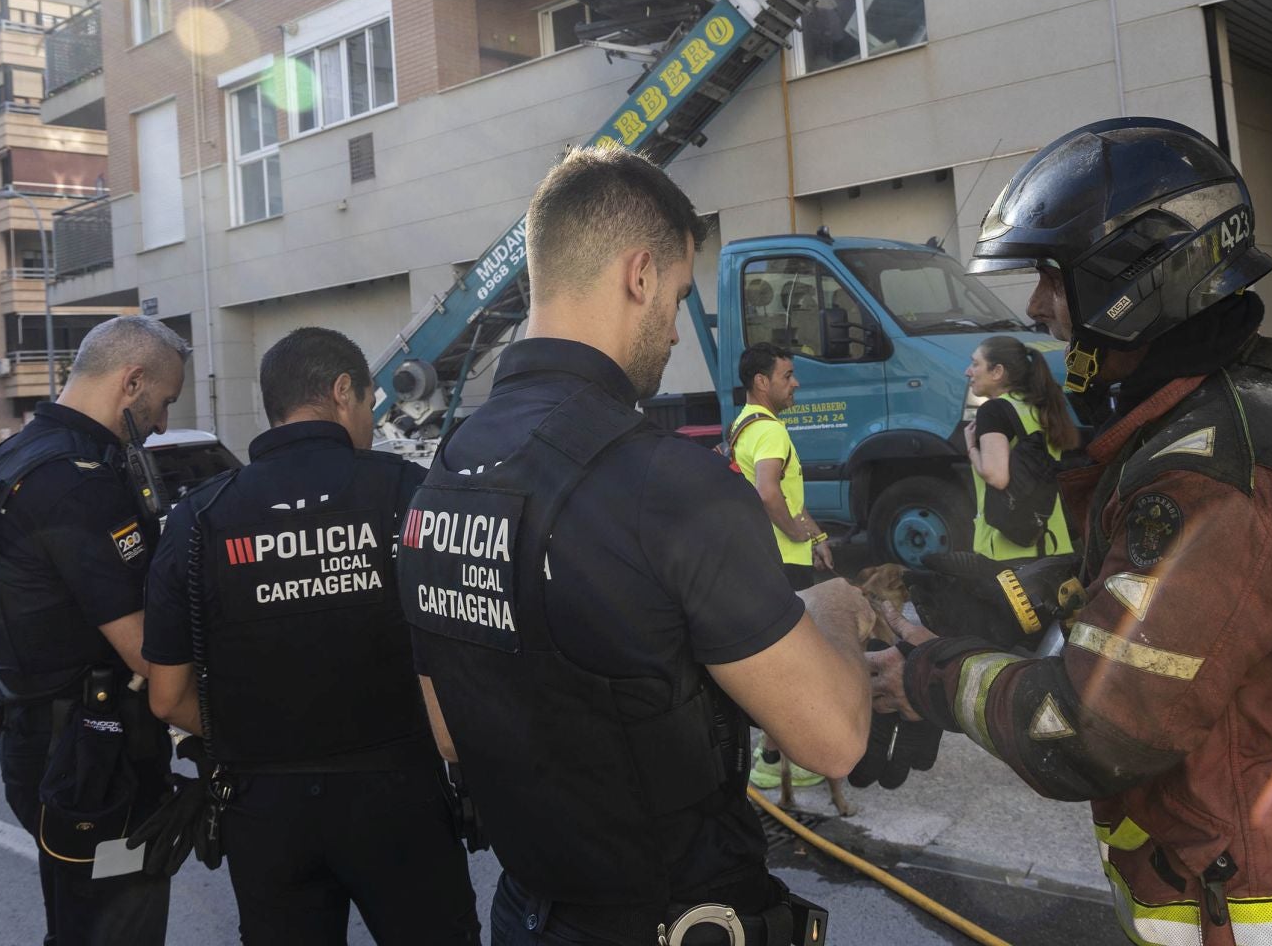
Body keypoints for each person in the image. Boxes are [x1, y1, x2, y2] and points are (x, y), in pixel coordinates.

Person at [869, 118, 1272, 946]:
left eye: (1053, 279)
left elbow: (1091, 731)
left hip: (1263, 913)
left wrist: (930, 677)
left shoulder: (1209, 477)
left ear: (1131, 281)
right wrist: (1004, 595)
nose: (1036, 306)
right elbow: (1215, 602)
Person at [399, 143, 872, 945]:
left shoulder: (444, 475)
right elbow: (833, 739)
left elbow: (449, 730)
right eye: (680, 293)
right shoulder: (671, 485)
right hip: (673, 917)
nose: (676, 334)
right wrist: (831, 611)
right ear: (641, 274)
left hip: (526, 913)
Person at [138, 326, 480, 945]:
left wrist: (258, 738)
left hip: (264, 812)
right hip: (398, 800)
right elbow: (458, 650)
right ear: (342, 391)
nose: (373, 423)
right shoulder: (405, 493)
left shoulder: (199, 518)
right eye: (371, 404)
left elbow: (166, 698)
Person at [0, 316, 192, 946]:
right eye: (164, 402)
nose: (164, 422)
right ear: (132, 381)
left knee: (78, 921)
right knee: (120, 922)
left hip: (40, 740)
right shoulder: (76, 482)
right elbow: (146, 649)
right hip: (97, 761)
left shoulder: (6, 460)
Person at [962, 334, 1079, 561]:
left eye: (976, 364)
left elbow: (996, 477)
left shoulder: (993, 410)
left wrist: (970, 448)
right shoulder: (1040, 407)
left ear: (997, 372)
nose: (968, 371)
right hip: (1054, 543)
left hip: (1008, 550)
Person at [729, 342, 832, 588]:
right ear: (762, 382)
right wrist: (797, 536)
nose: (795, 383)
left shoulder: (742, 423)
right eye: (787, 376)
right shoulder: (770, 431)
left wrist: (816, 537)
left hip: (761, 555)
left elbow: (786, 497)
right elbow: (767, 492)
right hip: (786, 561)